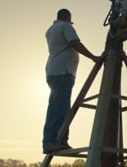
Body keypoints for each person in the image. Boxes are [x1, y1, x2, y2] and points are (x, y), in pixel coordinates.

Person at [43, 9, 100, 154]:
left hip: (56, 71)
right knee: (58, 107)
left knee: (60, 107)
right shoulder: (65, 26)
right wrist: (93, 57)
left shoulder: (51, 30)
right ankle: (50, 142)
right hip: (62, 72)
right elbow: (74, 43)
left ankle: (60, 141)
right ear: (68, 18)